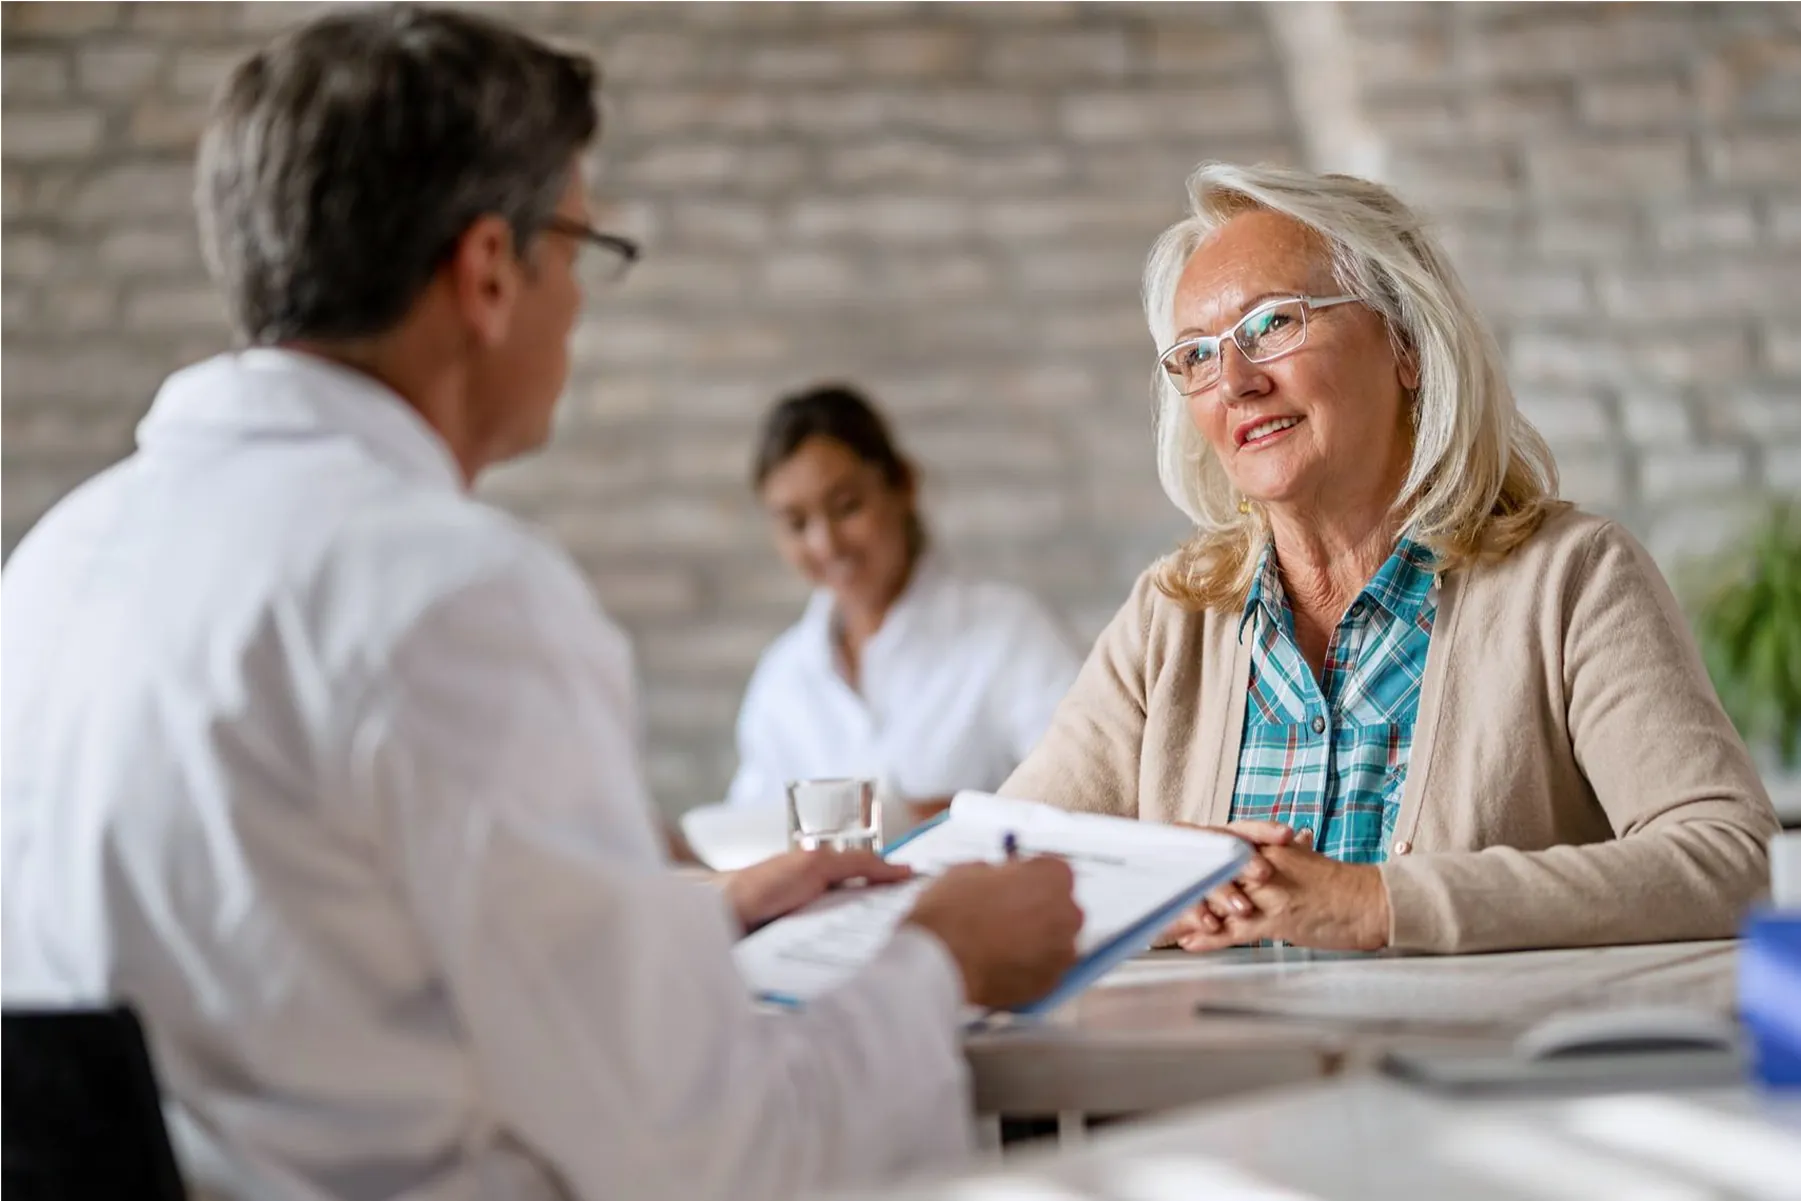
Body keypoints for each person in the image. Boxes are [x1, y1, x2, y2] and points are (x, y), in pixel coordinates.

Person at [0, 9, 1084, 1201]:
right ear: (488, 273)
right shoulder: (445, 593)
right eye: (579, 246)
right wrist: (944, 958)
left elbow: (325, 987)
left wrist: (695, 918)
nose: (578, 302)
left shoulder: (55, 564)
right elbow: (710, 1151)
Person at [1000, 161, 1778, 956]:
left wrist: (1377, 903)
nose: (1234, 381)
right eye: (1196, 355)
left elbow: (1729, 858)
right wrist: (1147, 894)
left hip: (1478, 1073)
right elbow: (998, 868)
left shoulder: (1574, 579)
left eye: (1272, 323)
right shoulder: (1169, 619)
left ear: (1405, 343)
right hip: (1216, 1078)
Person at [723, 385, 1082, 826]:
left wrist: (919, 817)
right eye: (796, 524)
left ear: (903, 485)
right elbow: (747, 832)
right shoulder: (783, 677)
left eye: (847, 507)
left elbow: (1084, 790)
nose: (825, 544)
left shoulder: (1008, 632)